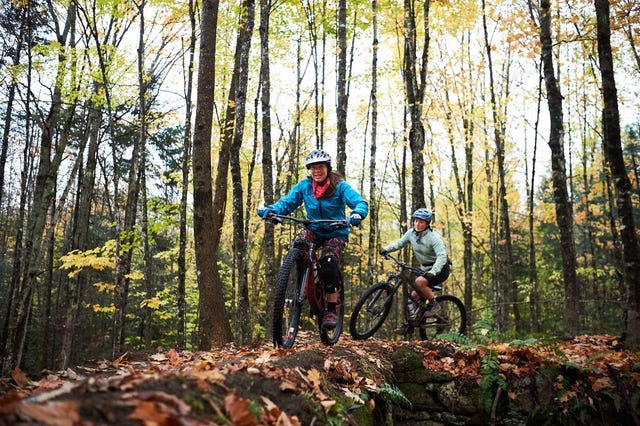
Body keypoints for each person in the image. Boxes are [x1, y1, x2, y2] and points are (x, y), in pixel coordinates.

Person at [258, 148, 369, 330]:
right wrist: (272, 210)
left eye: (320, 167)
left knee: (328, 265)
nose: (316, 171)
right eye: (313, 168)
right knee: (299, 246)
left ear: (327, 168)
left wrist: (357, 214)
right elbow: (287, 202)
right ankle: (304, 282)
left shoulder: (339, 186)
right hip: (314, 228)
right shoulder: (305, 186)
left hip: (336, 231)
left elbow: (360, 202)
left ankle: (331, 307)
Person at [379, 207, 450, 335]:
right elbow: (399, 243)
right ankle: (410, 324)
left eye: (421, 222)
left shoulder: (433, 238)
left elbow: (442, 256)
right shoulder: (411, 233)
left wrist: (433, 271)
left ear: (427, 224)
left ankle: (434, 304)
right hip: (424, 268)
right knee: (413, 297)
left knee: (419, 282)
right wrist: (386, 249)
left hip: (440, 269)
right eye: (416, 221)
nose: (417, 224)